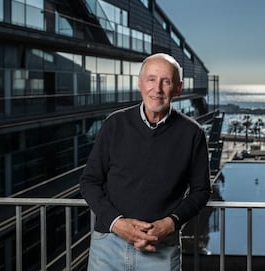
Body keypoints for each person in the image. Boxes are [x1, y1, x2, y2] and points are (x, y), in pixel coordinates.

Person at [79, 53, 212, 271]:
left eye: (166, 81)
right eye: (151, 79)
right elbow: (89, 182)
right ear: (140, 84)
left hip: (161, 250)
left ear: (177, 89)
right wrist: (118, 224)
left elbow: (201, 190)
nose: (157, 89)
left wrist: (170, 224)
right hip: (108, 247)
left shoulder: (192, 133)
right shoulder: (114, 124)